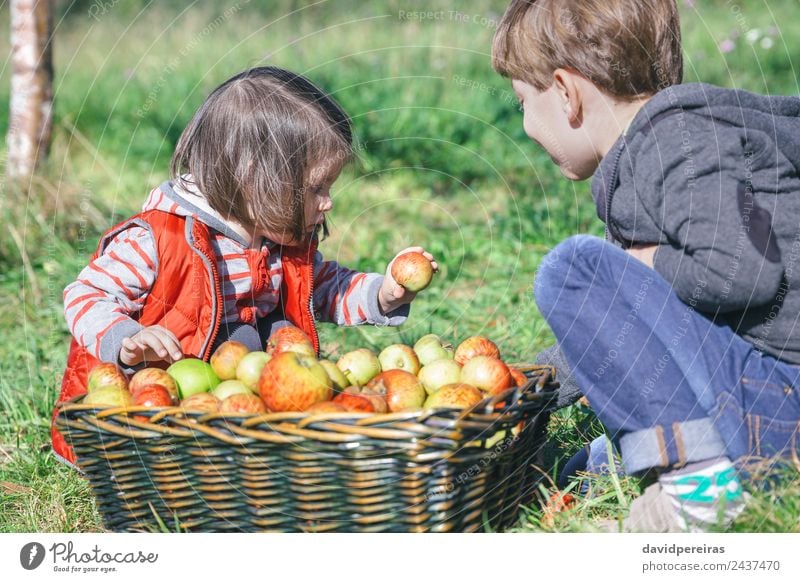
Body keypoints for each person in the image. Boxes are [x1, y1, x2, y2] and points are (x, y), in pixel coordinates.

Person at [491, 0, 800, 531]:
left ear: (566, 92)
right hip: (767, 396)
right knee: (586, 469)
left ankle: (698, 485)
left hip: (782, 402)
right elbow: (648, 319)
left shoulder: (679, 142)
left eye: (523, 101)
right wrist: (525, 384)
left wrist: (643, 262)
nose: (524, 123)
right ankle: (702, 464)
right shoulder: (665, 149)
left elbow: (741, 271)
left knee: (573, 269)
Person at [52, 66, 437, 466]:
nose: (328, 203)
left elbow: (324, 289)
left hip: (235, 395)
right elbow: (85, 295)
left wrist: (384, 293)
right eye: (316, 188)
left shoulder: (274, 235)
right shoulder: (156, 239)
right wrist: (126, 339)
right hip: (159, 402)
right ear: (256, 180)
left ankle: (266, 448)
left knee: (281, 334)